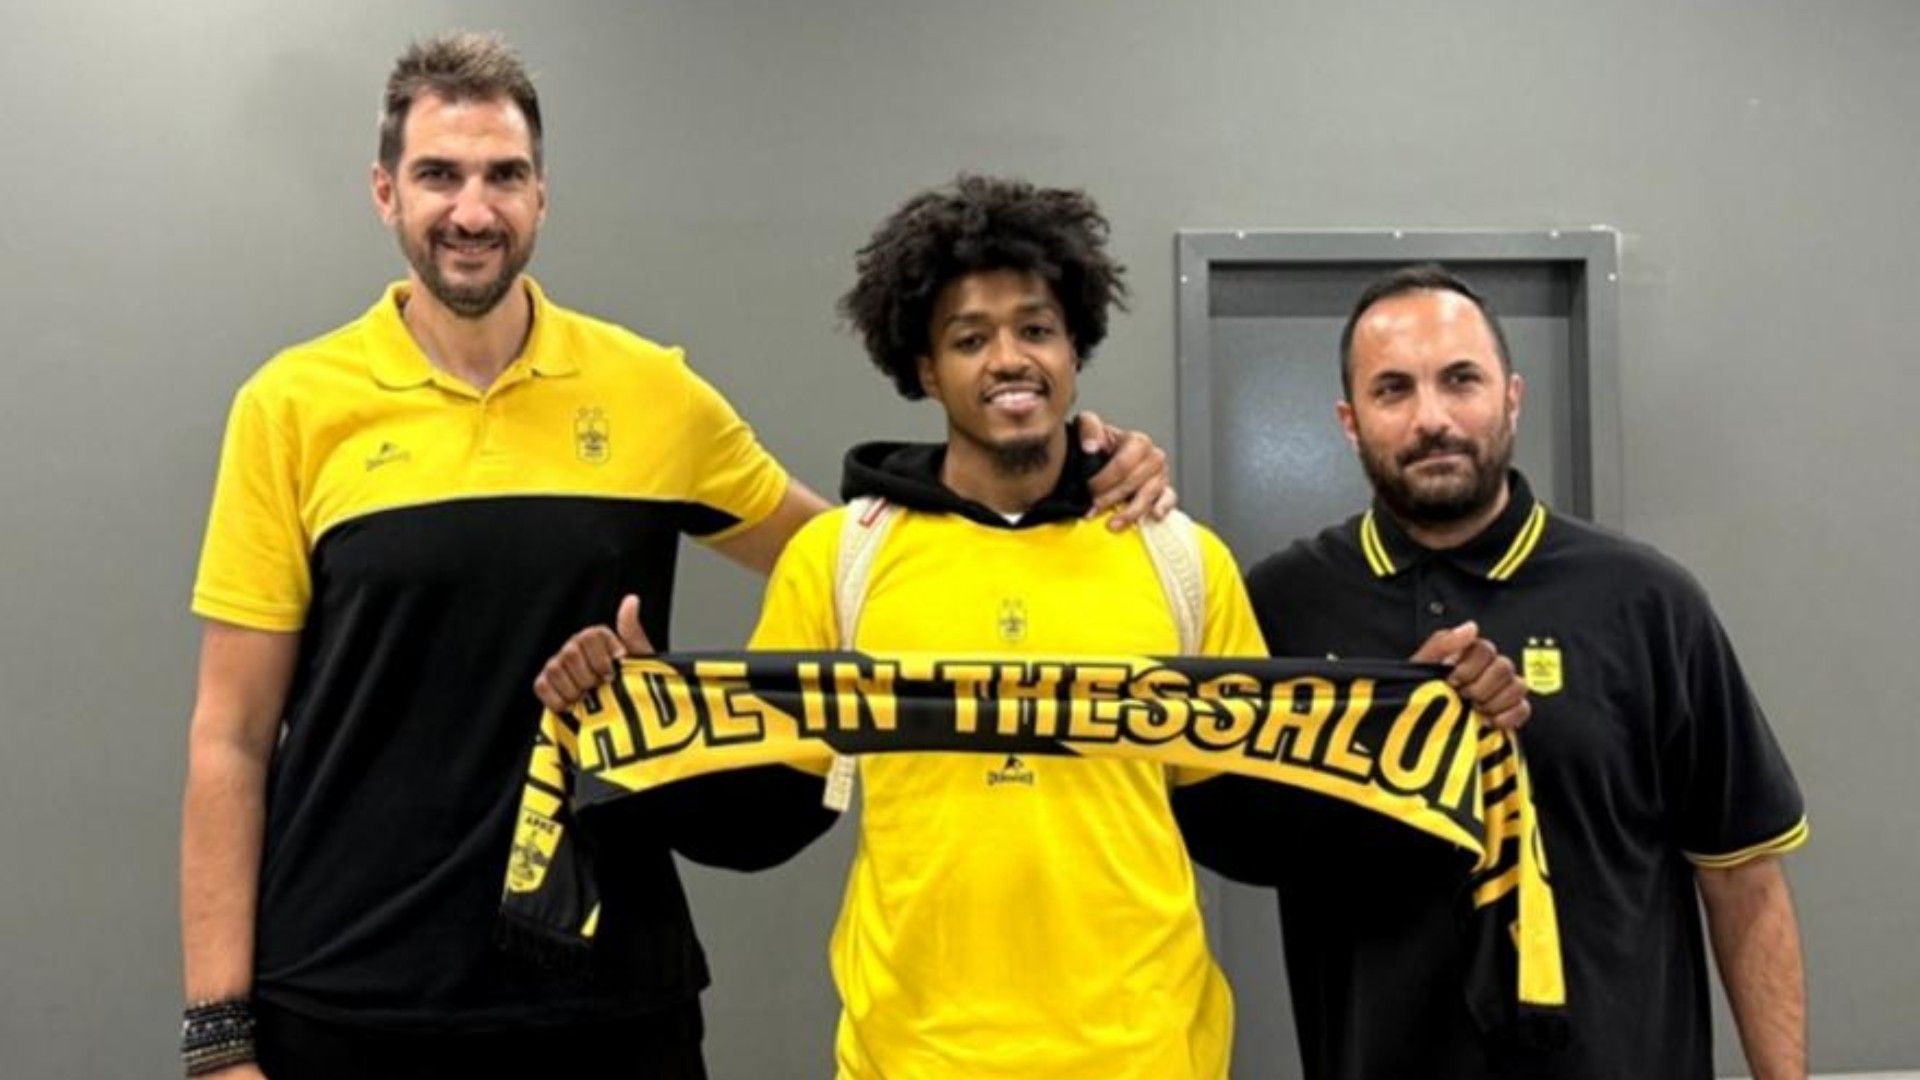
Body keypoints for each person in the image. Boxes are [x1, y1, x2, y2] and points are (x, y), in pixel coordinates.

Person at [178, 34, 1171, 1080]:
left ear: (541, 196)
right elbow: (231, 738)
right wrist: (218, 1034)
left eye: (504, 175)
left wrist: (1056, 461)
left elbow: (868, 553)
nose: (473, 210)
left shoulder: (650, 392)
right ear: (386, 191)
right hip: (350, 991)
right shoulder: (291, 409)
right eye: (439, 175)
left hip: (609, 994)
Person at [538, 179, 1530, 1079]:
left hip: (1148, 1056)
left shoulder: (1179, 558)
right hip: (910, 1059)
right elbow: (770, 818)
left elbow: (1243, 824)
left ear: (1073, 349)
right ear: (925, 368)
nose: (1009, 359)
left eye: (1037, 329)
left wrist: (1415, 728)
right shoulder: (842, 559)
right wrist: (647, 729)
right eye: (970, 339)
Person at [1179, 263, 1809, 1079]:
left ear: (1512, 397)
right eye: (1393, 390)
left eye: (1460, 380)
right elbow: (1233, 843)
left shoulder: (1648, 602)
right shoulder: (1279, 608)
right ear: (1349, 421)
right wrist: (1390, 736)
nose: (1432, 418)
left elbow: (1745, 881)